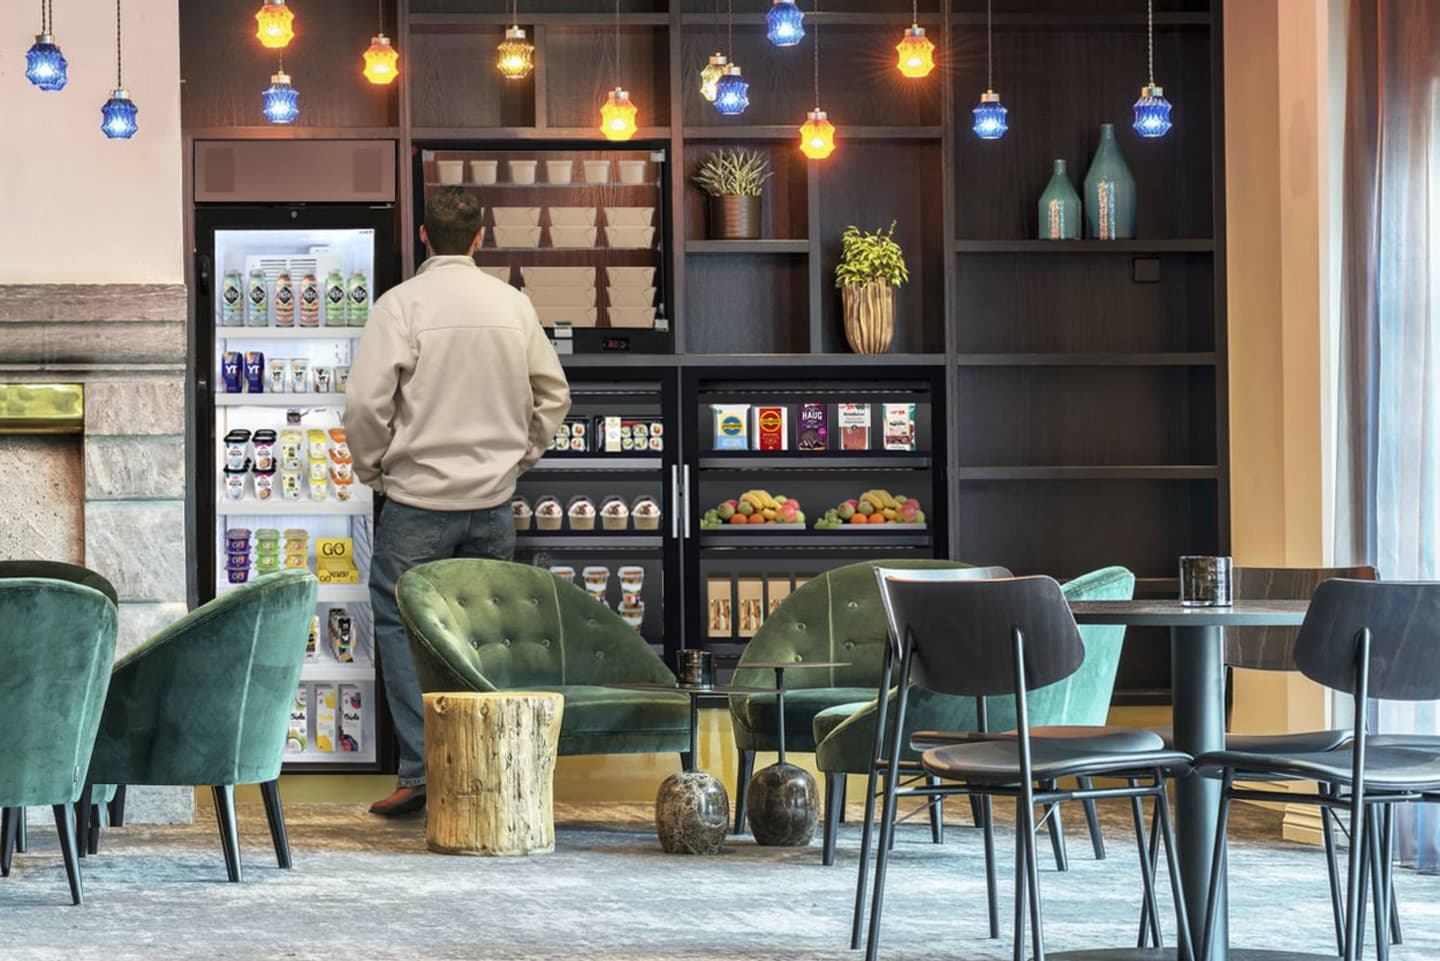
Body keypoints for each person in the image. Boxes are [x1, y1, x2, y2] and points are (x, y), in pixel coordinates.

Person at [344, 186, 571, 816]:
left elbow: (365, 404)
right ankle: (485, 769)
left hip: (416, 502)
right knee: (484, 635)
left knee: (401, 626)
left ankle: (422, 772)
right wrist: (518, 458)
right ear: (479, 237)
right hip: (493, 503)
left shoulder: (401, 306)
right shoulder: (512, 305)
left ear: (423, 236)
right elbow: (553, 396)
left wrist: (375, 470)